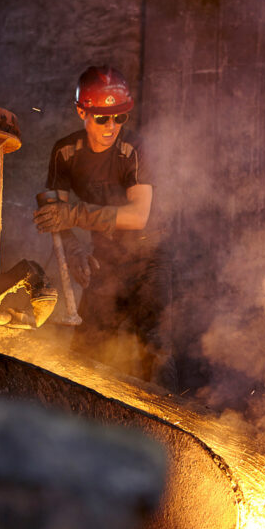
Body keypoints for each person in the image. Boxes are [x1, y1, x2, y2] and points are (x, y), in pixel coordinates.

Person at [34, 65, 175, 389]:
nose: (112, 127)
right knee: (84, 350)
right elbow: (55, 211)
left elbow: (137, 215)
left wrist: (75, 215)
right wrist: (74, 250)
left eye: (119, 118)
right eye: (102, 118)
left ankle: (167, 432)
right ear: (82, 111)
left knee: (155, 349)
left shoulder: (134, 150)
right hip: (106, 258)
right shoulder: (65, 153)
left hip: (149, 256)